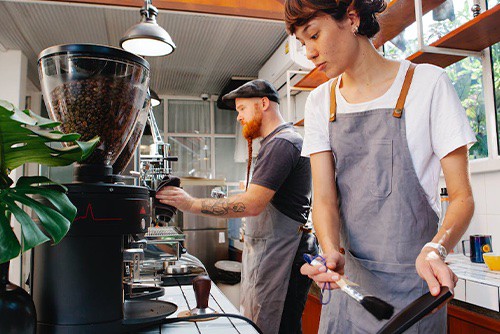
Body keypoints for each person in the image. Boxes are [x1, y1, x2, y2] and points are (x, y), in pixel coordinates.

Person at [284, 0, 475, 333]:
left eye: (313, 35)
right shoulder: (319, 102)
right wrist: (330, 251)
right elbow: (325, 200)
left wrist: (436, 248)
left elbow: (462, 197)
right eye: (303, 43)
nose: (309, 53)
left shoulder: (428, 84)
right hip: (349, 293)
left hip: (416, 292)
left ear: (353, 18)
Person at [156, 79, 318, 334]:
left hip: (284, 255)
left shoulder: (283, 143)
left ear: (264, 103)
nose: (239, 117)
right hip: (271, 252)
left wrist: (190, 203)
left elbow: (251, 204)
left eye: (242, 109)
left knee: (280, 327)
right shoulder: (273, 143)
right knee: (261, 322)